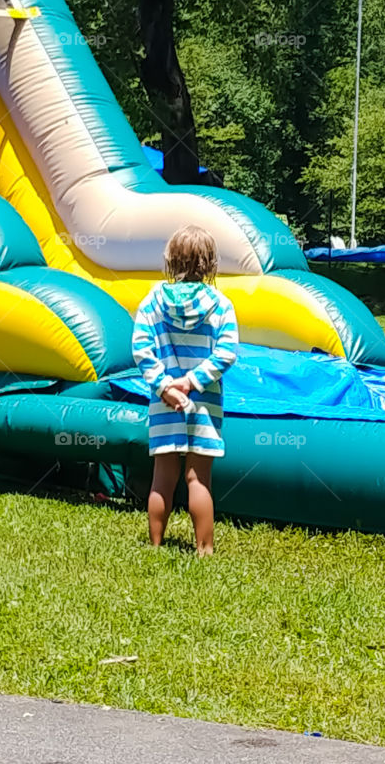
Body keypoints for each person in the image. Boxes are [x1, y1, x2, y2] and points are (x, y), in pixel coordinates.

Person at [131, 224, 238, 555]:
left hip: (164, 403)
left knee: (162, 477)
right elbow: (226, 353)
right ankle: (205, 550)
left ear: (170, 261)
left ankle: (155, 545)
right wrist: (192, 382)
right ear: (211, 264)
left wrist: (166, 386)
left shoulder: (153, 301)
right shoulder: (220, 304)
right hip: (204, 403)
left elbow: (141, 349)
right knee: (198, 478)